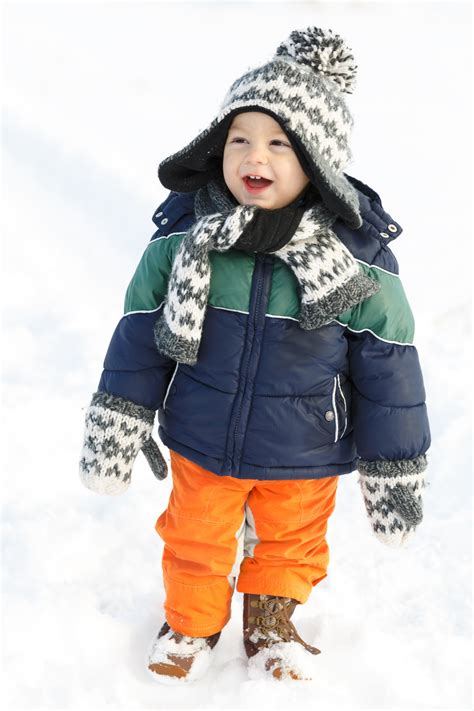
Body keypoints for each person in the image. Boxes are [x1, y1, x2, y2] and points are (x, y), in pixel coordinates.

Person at [79, 26, 431, 682]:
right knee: (194, 537)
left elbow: (391, 370)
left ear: (317, 161)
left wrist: (394, 466)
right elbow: (138, 337)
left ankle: (272, 619)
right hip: (203, 438)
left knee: (291, 543)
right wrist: (120, 415)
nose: (253, 155)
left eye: (278, 142)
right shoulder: (185, 243)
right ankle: (192, 618)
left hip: (305, 449)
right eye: (238, 138)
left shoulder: (360, 264)